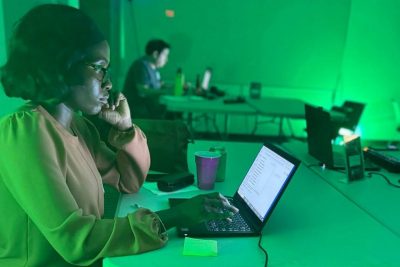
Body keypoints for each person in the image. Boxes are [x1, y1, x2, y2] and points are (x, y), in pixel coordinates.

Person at [0, 4, 238, 267]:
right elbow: (77, 241)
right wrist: (176, 216)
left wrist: (125, 129)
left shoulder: (79, 127)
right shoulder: (24, 133)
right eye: (100, 68)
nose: (109, 83)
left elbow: (129, 181)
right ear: (62, 64)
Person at [123, 39, 171, 119]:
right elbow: (142, 90)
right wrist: (166, 92)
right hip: (137, 108)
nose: (166, 59)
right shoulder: (141, 66)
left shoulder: (154, 68)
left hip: (148, 106)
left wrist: (177, 86)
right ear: (155, 54)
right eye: (165, 55)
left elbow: (160, 84)